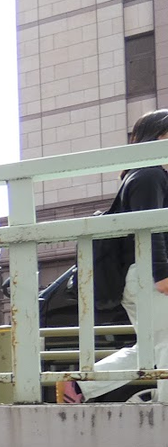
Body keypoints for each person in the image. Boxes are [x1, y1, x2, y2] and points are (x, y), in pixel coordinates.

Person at [58, 109, 168, 403]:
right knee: (166, 343)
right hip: (148, 273)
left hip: (142, 273)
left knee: (151, 347)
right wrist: (161, 274)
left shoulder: (145, 174)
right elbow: (149, 228)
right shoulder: (150, 174)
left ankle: (79, 387)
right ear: (158, 137)